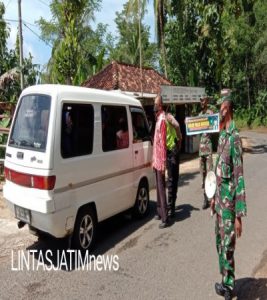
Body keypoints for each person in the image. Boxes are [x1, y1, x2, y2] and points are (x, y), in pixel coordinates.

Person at [210, 96, 247, 300]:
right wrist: (214, 197)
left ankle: (230, 287)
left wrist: (238, 216)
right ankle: (224, 280)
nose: (219, 112)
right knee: (219, 242)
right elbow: (217, 171)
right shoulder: (223, 135)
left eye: (221, 108)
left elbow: (239, 177)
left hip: (230, 205)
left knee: (228, 246)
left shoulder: (234, 138)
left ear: (228, 109)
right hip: (219, 201)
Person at [152, 95, 168, 229]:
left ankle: (165, 216)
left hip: (160, 160)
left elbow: (162, 143)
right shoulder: (157, 119)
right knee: (157, 187)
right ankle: (159, 211)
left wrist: (163, 164)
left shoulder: (162, 120)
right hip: (156, 159)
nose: (154, 105)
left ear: (160, 105)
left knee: (162, 188)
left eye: (156, 104)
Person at [166, 107, 182, 218]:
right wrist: (180, 139)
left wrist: (179, 139)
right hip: (171, 152)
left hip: (171, 152)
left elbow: (176, 125)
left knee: (172, 179)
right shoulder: (167, 116)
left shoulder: (166, 117)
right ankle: (171, 207)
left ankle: (171, 207)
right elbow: (177, 125)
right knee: (173, 180)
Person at [199, 96, 213, 209]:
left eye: (203, 100)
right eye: (200, 101)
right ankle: (205, 199)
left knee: (210, 173)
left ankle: (212, 198)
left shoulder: (210, 113)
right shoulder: (199, 116)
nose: (201, 102)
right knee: (202, 173)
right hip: (201, 149)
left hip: (208, 148)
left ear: (207, 102)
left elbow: (215, 126)